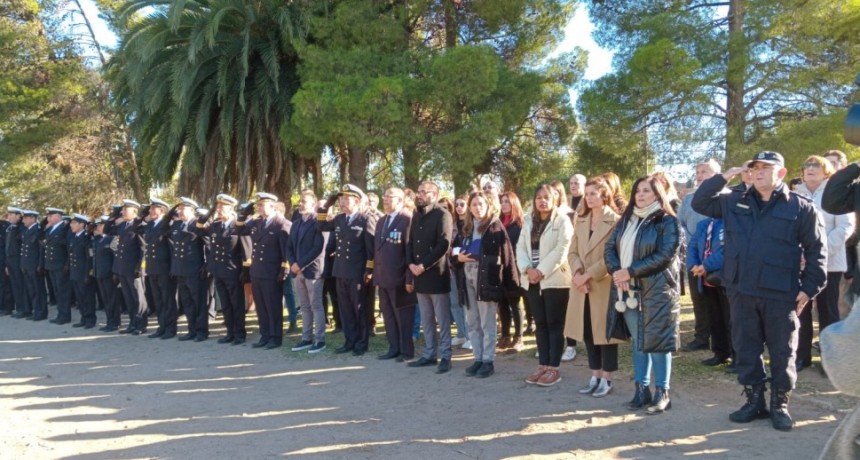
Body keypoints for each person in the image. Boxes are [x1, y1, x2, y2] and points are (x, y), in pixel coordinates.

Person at [694, 151, 827, 431]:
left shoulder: (800, 207)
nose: (758, 172)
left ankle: (779, 405)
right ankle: (754, 401)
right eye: (754, 168)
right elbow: (700, 201)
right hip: (742, 290)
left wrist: (809, 289)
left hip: (781, 293)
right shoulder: (733, 201)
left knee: (782, 351)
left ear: (781, 172)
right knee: (745, 348)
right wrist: (726, 174)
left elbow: (817, 252)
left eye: (766, 168)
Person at [605, 175, 681, 414]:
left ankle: (663, 393)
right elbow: (609, 248)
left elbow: (665, 255)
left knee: (657, 343)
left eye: (646, 191)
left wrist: (630, 271)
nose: (640, 195)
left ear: (658, 194)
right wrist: (618, 272)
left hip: (657, 291)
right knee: (639, 341)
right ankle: (641, 390)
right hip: (626, 290)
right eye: (637, 190)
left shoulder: (667, 221)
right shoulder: (626, 219)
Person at [795, 155, 854, 371]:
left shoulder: (836, 193)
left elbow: (845, 228)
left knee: (828, 313)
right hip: (800, 265)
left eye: (816, 165)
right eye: (807, 165)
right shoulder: (795, 194)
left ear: (826, 170)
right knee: (800, 310)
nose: (810, 168)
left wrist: (819, 252)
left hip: (829, 264)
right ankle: (802, 357)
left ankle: (829, 362)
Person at [566, 177, 622, 398]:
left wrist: (590, 274)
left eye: (593, 193)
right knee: (587, 331)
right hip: (581, 286)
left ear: (604, 194)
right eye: (587, 194)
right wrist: (578, 274)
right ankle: (594, 375)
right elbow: (572, 251)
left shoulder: (616, 221)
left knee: (604, 333)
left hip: (602, 284)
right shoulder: (580, 220)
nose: (588, 198)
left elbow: (614, 255)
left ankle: (607, 379)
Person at [454, 190, 518, 378]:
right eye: (474, 204)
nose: (477, 207)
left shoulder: (495, 226)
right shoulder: (464, 227)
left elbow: (507, 256)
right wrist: (458, 258)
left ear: (488, 205)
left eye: (481, 204)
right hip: (467, 278)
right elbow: (455, 251)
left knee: (487, 321)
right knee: (472, 321)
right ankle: (478, 358)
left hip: (487, 279)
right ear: (469, 208)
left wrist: (511, 284)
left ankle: (488, 360)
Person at [517, 184, 574, 387]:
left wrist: (540, 270)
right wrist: (527, 269)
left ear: (555, 199)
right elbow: (520, 247)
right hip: (531, 280)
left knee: (554, 325)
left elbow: (562, 249)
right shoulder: (527, 220)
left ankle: (553, 368)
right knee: (540, 325)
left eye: (546, 197)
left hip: (554, 280)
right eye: (538, 197)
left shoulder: (563, 221)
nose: (542, 201)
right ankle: (542, 365)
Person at [317, 184, 376, 356]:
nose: (342, 202)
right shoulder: (339, 219)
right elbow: (320, 227)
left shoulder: (365, 219)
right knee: (345, 309)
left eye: (346, 199)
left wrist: (369, 270)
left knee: (359, 308)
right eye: (341, 199)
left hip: (358, 272)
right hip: (340, 270)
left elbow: (370, 248)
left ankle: (361, 342)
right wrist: (326, 206)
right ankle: (349, 340)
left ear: (357, 201)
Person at [406, 181, 454, 374]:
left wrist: (423, 265)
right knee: (426, 319)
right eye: (419, 192)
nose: (420, 195)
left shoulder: (443, 214)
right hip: (418, 275)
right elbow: (409, 242)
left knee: (442, 320)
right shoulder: (417, 215)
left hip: (435, 274)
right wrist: (411, 264)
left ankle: (446, 356)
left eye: (424, 192)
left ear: (434, 194)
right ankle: (429, 354)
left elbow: (443, 244)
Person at [677, 159, 721, 352]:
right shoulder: (688, 199)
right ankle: (701, 337)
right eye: (697, 172)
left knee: (719, 303)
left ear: (718, 175)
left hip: (719, 260)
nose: (700, 175)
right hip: (694, 258)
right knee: (698, 300)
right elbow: (681, 226)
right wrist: (693, 249)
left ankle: (722, 341)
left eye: (705, 171)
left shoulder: (727, 197)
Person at [237, 192, 291, 349]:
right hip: (257, 271)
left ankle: (275, 337)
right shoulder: (257, 223)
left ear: (272, 206)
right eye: (258, 205)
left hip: (272, 272)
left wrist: (284, 269)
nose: (259, 208)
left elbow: (286, 250)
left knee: (273, 305)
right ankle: (265, 335)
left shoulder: (282, 223)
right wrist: (243, 215)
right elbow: (240, 231)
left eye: (262, 205)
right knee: (261, 306)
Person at [196, 194, 249, 345]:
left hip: (233, 271)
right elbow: (199, 228)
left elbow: (246, 249)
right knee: (225, 304)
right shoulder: (215, 225)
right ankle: (230, 332)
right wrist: (210, 211)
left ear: (231, 208)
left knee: (236, 304)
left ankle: (240, 333)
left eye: (221, 207)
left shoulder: (238, 226)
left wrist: (245, 271)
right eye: (217, 207)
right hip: (218, 270)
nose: (219, 210)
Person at [373, 187, 417, 362]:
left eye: (389, 196)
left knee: (403, 317)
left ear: (400, 199)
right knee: (388, 315)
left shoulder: (407, 219)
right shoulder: (381, 220)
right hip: (383, 277)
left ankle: (406, 351)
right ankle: (394, 348)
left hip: (400, 278)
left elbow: (410, 252)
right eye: (384, 196)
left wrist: (409, 278)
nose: (385, 199)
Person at [687, 215, 733, 367]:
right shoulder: (703, 224)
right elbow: (692, 246)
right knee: (715, 317)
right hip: (706, 279)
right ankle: (720, 353)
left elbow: (729, 251)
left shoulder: (731, 222)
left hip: (725, 279)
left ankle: (737, 356)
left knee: (731, 319)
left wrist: (706, 265)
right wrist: (694, 264)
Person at [286, 190, 327, 353]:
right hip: (298, 271)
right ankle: (306, 338)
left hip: (313, 271)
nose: (300, 204)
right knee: (304, 306)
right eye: (300, 201)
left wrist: (300, 264)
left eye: (304, 201)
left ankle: (320, 340)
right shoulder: (296, 223)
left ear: (313, 204)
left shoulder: (318, 221)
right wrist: (293, 263)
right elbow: (288, 246)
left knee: (316, 305)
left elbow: (318, 247)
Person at [106, 200, 148, 335]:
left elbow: (144, 249)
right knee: (128, 297)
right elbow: (107, 230)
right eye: (122, 210)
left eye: (125, 209)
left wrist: (140, 267)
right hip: (122, 267)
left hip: (133, 268)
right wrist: (113, 215)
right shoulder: (123, 225)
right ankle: (132, 322)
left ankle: (141, 324)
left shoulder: (139, 225)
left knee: (138, 297)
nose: (122, 212)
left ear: (134, 211)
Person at [549, 179, 578, 362]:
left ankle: (571, 345)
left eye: (555, 193)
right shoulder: (545, 215)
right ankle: (555, 345)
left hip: (565, 266)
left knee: (568, 309)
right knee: (554, 311)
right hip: (549, 268)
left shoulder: (569, 214)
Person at [143, 199, 177, 339]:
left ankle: (170, 328)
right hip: (152, 267)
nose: (150, 211)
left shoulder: (168, 225)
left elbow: (172, 248)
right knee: (158, 299)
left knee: (168, 299)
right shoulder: (150, 224)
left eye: (153, 209)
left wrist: (172, 267)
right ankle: (161, 326)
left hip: (164, 268)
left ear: (162, 210)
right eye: (150, 209)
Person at [498, 191, 525, 351]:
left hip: (514, 268)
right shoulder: (499, 222)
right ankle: (505, 336)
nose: (504, 204)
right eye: (502, 202)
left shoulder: (520, 223)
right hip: (500, 268)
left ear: (514, 203)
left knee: (515, 303)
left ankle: (518, 337)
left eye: (507, 201)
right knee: (502, 303)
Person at [448, 195, 471, 349]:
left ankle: (471, 336)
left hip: (468, 269)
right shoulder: (452, 224)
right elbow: (451, 246)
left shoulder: (472, 224)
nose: (459, 207)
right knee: (455, 303)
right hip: (453, 268)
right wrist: (454, 251)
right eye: (457, 204)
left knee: (467, 304)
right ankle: (462, 334)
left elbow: (468, 247)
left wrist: (455, 251)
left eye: (462, 204)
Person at [92, 216, 121, 332]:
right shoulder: (98, 240)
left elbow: (116, 257)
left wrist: (115, 273)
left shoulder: (112, 239)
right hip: (100, 274)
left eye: (100, 225)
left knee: (113, 299)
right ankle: (109, 321)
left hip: (109, 274)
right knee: (106, 299)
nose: (98, 227)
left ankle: (115, 322)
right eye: (97, 225)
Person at [67, 214, 96, 328]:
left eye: (74, 223)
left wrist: (88, 274)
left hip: (84, 272)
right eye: (72, 223)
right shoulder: (74, 237)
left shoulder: (86, 238)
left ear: (82, 224)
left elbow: (89, 258)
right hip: (75, 272)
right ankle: (83, 317)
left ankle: (90, 319)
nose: (71, 225)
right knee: (80, 298)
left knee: (87, 297)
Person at [43, 207, 71, 325]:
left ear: (58, 216)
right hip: (51, 264)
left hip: (60, 265)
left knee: (62, 291)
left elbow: (68, 248)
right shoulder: (51, 229)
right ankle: (60, 314)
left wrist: (67, 264)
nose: (48, 218)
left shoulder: (64, 228)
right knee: (56, 291)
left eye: (51, 215)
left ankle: (65, 315)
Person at [6, 207, 29, 319]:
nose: (8, 217)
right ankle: (19, 308)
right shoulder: (11, 228)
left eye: (11, 214)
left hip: (19, 262)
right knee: (15, 286)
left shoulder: (21, 228)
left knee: (21, 286)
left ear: (18, 216)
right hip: (10, 262)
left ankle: (25, 309)